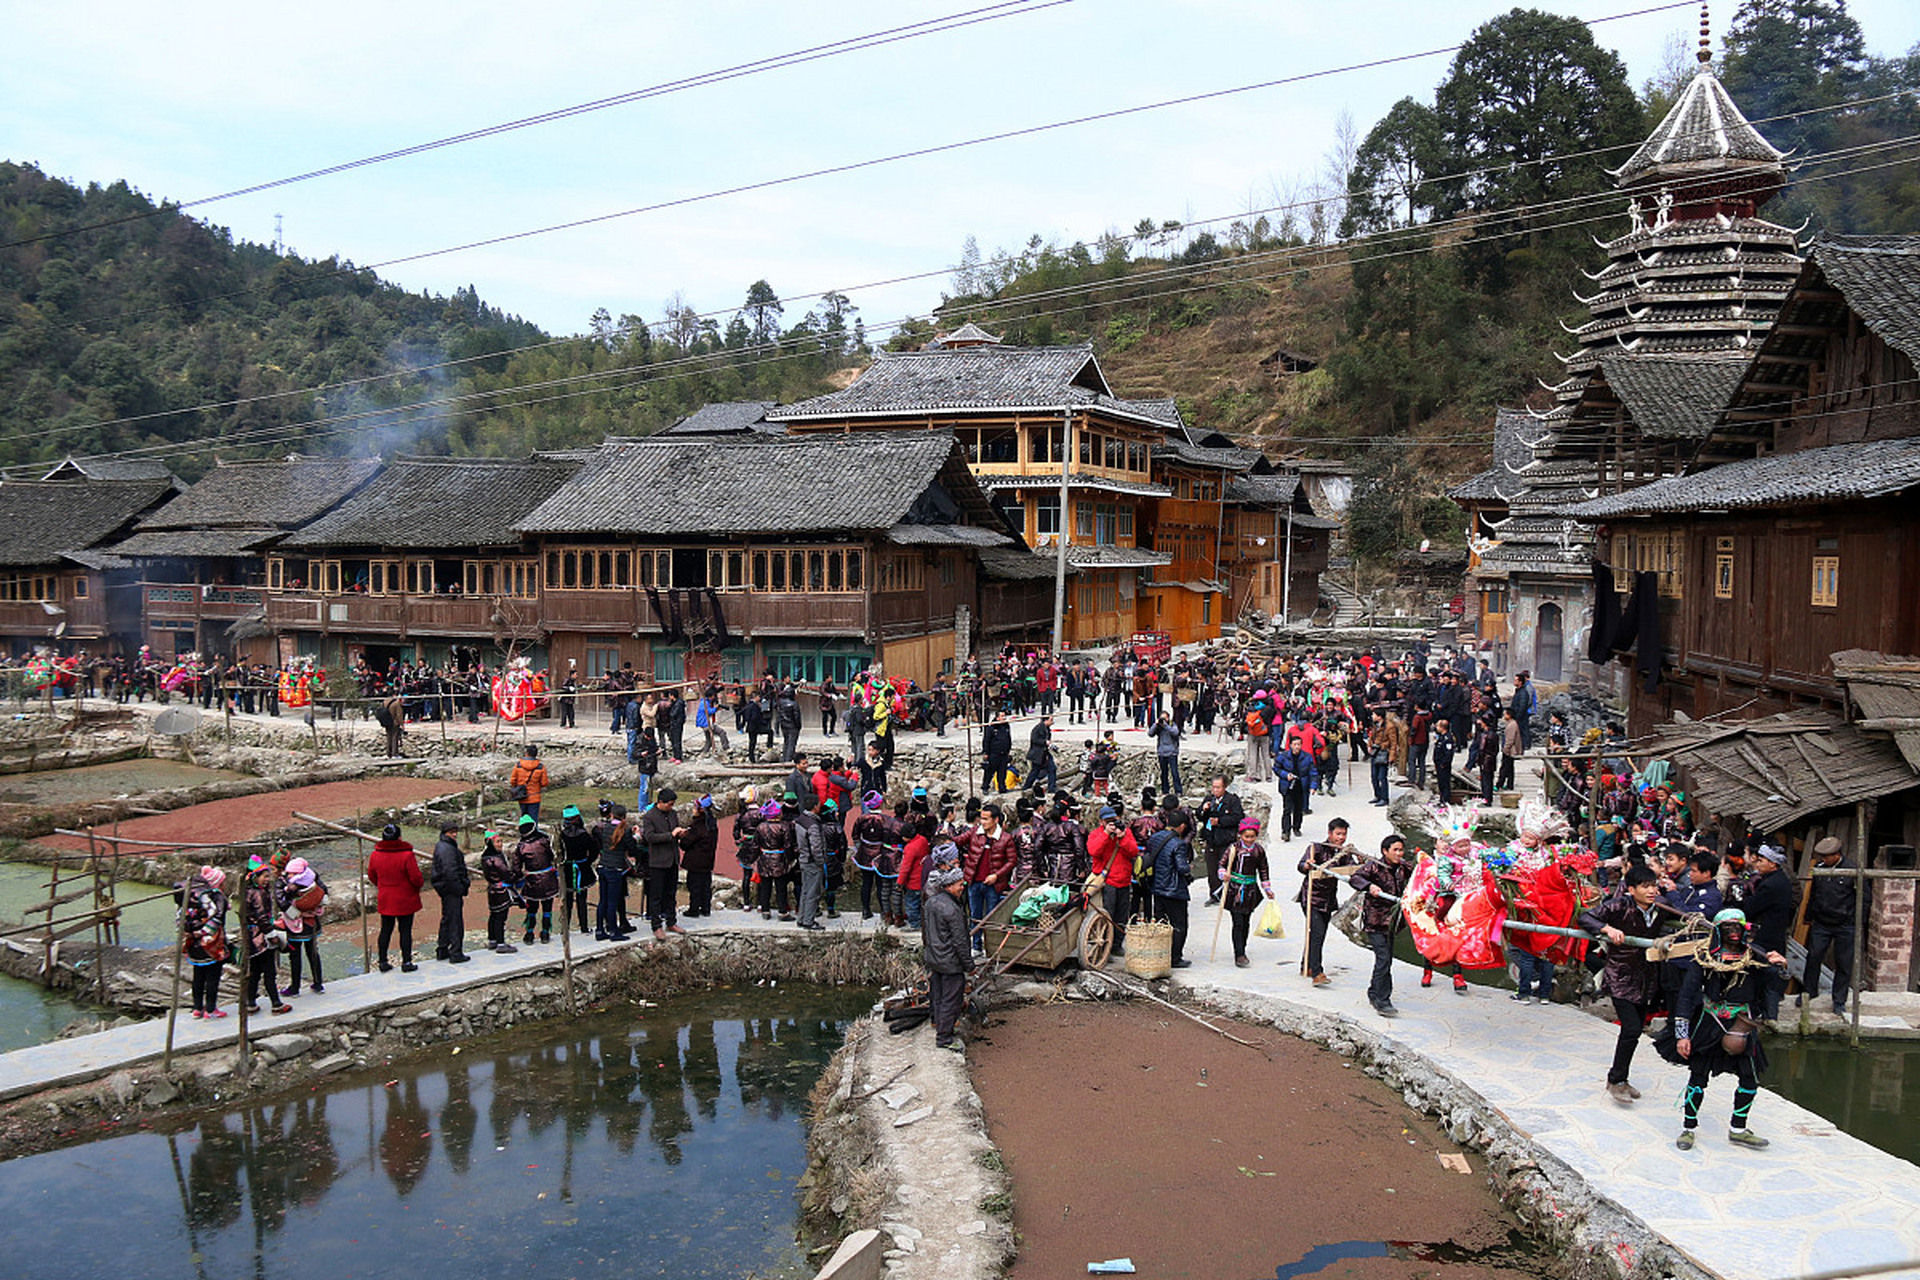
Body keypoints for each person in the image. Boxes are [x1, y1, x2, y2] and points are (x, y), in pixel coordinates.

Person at [1666, 908, 1788, 1151]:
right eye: (1728, 928)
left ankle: (1738, 1129)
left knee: (1750, 1080)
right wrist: (1682, 1034)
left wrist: (1781, 968)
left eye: (1738, 928)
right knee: (1698, 1079)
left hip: (1743, 1023)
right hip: (1710, 1022)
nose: (1734, 933)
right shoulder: (1704, 958)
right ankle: (1688, 1127)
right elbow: (1687, 996)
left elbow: (1773, 986)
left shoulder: (1755, 957)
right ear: (1718, 932)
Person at [1579, 864, 1665, 1105]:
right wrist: (1606, 928)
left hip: (1646, 976)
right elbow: (1585, 917)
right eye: (1645, 886)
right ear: (1631, 889)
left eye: (1654, 885)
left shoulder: (1660, 908)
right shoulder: (1619, 906)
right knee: (1631, 1028)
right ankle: (1616, 1079)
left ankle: (1620, 1078)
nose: (1651, 891)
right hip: (1620, 975)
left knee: (1636, 1030)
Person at [1801, 835, 1865, 1016]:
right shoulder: (1820, 870)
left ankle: (1839, 1000)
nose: (1824, 860)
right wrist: (1808, 916)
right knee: (1813, 957)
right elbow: (1813, 895)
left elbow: (1864, 897)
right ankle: (1809, 991)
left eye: (1827, 857)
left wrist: (1858, 920)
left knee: (1844, 963)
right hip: (1822, 922)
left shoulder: (1852, 870)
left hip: (1845, 924)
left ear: (1836, 855)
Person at [1351, 834, 1414, 1017]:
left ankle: (1373, 991)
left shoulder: (1404, 868)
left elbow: (1421, 875)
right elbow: (1356, 878)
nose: (1399, 853)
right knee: (1384, 958)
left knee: (1385, 959)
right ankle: (1382, 1000)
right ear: (1385, 851)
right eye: (1395, 850)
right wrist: (1369, 886)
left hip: (1392, 922)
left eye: (1401, 850)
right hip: (1375, 921)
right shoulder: (1373, 867)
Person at [1744, 843, 1798, 1020]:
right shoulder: (1779, 880)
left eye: (1761, 861)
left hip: (1767, 937)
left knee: (1766, 978)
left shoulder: (1772, 885)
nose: (1757, 864)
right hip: (1775, 934)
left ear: (1772, 864)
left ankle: (1768, 1016)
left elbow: (1751, 908)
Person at [922, 864, 973, 1052]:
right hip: (951, 962)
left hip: (934, 959)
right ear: (949, 885)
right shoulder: (952, 909)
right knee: (951, 999)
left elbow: (926, 932)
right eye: (960, 884)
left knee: (937, 993)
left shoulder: (931, 903)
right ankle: (944, 1038)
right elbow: (960, 942)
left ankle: (936, 1021)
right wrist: (969, 965)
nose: (963, 887)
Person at [1297, 818, 1349, 986]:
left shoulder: (1344, 853)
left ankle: (1306, 965)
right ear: (1330, 833)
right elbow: (1301, 866)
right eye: (1338, 834)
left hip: (1328, 900)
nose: (1341, 837)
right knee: (1317, 932)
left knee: (1317, 933)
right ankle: (1317, 973)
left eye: (1344, 834)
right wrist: (1307, 865)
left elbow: (1353, 871)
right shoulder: (1316, 849)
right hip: (1311, 898)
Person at [367, 823, 423, 974]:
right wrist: (416, 887)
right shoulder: (407, 855)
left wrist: (383, 885)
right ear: (399, 837)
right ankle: (406, 961)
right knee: (405, 930)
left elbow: (372, 875)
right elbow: (416, 877)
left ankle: (383, 961)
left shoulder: (375, 855)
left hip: (386, 896)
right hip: (405, 897)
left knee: (385, 929)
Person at [1145, 809, 1196, 969]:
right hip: (1174, 889)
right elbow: (1182, 868)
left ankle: (1159, 953)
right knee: (1179, 924)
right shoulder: (1178, 844)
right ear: (1181, 826)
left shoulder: (1154, 838)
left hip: (1157, 887)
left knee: (1161, 923)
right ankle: (1175, 958)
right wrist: (1189, 867)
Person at [242, 856, 293, 1013]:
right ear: (255, 878)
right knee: (269, 972)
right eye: (264, 876)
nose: (267, 880)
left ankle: (250, 1002)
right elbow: (261, 916)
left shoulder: (247, 892)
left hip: (250, 938)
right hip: (261, 938)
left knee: (255, 971)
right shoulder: (259, 894)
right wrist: (271, 934)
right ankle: (276, 1004)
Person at [1221, 818, 1273, 969]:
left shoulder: (1259, 851)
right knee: (1237, 922)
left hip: (1250, 890)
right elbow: (1222, 864)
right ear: (1240, 835)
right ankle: (1239, 954)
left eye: (1252, 837)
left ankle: (1242, 947)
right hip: (1235, 889)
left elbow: (1263, 869)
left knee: (1246, 921)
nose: (1249, 840)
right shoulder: (1233, 849)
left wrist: (1267, 888)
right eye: (1246, 837)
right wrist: (1223, 874)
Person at [965, 802, 1016, 953]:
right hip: (974, 882)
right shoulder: (975, 832)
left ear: (996, 820)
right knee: (975, 915)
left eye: (986, 819)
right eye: (982, 818)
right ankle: (976, 946)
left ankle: (992, 948)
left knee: (992, 917)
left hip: (993, 885)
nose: (983, 822)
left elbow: (1012, 861)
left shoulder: (1005, 838)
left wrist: (997, 875)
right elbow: (958, 841)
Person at [180, 865, 229, 1018]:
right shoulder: (217, 897)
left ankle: (197, 1008)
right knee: (212, 978)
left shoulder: (191, 899)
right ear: (218, 883)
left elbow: (181, 920)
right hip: (211, 944)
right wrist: (204, 933)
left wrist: (193, 934)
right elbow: (217, 919)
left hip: (193, 944)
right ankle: (211, 1009)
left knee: (198, 976)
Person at [1087, 807, 1136, 958]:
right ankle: (1104, 945)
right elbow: (1093, 851)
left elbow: (1133, 851)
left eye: (1113, 821)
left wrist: (1122, 838)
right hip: (1107, 882)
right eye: (1108, 822)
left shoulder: (1125, 833)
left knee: (1122, 915)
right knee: (1107, 915)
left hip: (1124, 880)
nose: (1112, 824)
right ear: (1101, 822)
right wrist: (1106, 834)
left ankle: (1117, 944)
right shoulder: (1096, 834)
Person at [641, 787, 689, 939]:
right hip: (658, 862)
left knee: (671, 894)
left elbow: (674, 832)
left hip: (672, 860)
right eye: (669, 804)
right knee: (656, 896)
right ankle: (656, 925)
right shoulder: (649, 817)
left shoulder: (673, 814)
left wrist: (680, 834)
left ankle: (671, 921)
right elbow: (649, 837)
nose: (671, 807)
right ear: (660, 802)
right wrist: (670, 835)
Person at [279, 857, 327, 996]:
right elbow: (323, 890)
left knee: (295, 956)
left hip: (295, 925)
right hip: (312, 924)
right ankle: (318, 984)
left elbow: (282, 900)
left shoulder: (288, 884)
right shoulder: (313, 878)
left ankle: (295, 987)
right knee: (312, 953)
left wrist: (294, 912)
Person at [1195, 774, 1243, 907]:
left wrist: (1220, 821)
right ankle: (1214, 895)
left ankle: (1228, 895)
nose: (1215, 790)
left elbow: (1238, 817)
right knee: (1212, 870)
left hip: (1226, 839)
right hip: (1211, 839)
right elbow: (1199, 816)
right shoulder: (1208, 799)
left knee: (1227, 869)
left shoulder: (1232, 801)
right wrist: (1203, 810)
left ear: (1225, 787)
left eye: (1218, 787)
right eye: (1213, 787)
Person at [428, 821, 472, 964]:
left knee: (447, 918)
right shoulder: (447, 849)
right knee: (455, 921)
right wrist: (460, 887)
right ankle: (456, 952)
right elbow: (450, 871)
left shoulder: (444, 846)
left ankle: (442, 949)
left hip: (445, 888)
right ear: (444, 833)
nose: (454, 834)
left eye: (455, 831)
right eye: (451, 832)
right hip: (451, 889)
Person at [514, 814, 560, 944]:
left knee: (532, 909)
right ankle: (545, 933)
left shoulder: (521, 847)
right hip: (548, 880)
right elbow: (552, 856)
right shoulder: (544, 841)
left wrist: (516, 879)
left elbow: (517, 867)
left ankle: (529, 933)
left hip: (532, 881)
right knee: (547, 908)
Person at [595, 804, 633, 940]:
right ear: (624, 817)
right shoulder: (626, 832)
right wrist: (637, 837)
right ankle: (614, 931)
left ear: (611, 815)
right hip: (615, 869)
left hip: (603, 866)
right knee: (612, 902)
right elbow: (632, 849)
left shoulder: (604, 829)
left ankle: (599, 930)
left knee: (602, 901)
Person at [557, 806, 597, 936]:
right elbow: (594, 851)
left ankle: (565, 928)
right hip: (582, 869)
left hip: (567, 870)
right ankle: (584, 927)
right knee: (582, 900)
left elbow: (559, 854)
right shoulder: (584, 835)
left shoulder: (561, 836)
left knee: (567, 900)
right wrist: (587, 862)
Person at [679, 792, 719, 918]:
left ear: (701, 810)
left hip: (695, 861)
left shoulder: (697, 826)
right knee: (706, 885)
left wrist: (682, 838)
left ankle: (694, 909)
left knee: (694, 885)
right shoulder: (712, 824)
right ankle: (705, 908)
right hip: (708, 860)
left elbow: (686, 844)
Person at [479, 831, 519, 953]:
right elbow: (506, 874)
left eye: (501, 841)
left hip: (492, 890)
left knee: (494, 915)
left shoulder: (485, 857)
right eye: (497, 841)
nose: (500, 844)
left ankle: (492, 940)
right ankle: (501, 943)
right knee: (501, 916)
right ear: (490, 843)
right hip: (501, 890)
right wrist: (518, 875)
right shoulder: (496, 859)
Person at [1275, 736, 1313, 841]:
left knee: (1298, 809)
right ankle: (1285, 831)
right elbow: (1276, 768)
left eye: (1299, 744)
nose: (1297, 747)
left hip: (1301, 785)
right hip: (1287, 785)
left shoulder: (1307, 757)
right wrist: (1285, 775)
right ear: (1291, 745)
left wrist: (1313, 786)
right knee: (1287, 809)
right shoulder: (1283, 756)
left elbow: (1312, 772)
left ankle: (1296, 827)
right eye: (1295, 744)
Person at [509, 745, 549, 821]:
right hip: (535, 797)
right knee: (533, 819)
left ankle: (524, 832)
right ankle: (533, 832)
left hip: (522, 796)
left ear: (526, 753)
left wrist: (517, 787)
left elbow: (512, 781)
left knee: (524, 819)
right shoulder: (540, 767)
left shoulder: (518, 765)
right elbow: (544, 783)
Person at [1151, 712, 1184, 797]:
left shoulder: (1172, 724)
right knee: (1164, 773)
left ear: (1168, 718)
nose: (1163, 720)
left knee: (1174, 772)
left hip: (1172, 752)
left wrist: (1166, 725)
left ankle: (1178, 791)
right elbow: (1150, 733)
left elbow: (1175, 732)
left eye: (1165, 718)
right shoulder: (1158, 727)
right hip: (1162, 752)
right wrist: (1156, 724)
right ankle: (1165, 790)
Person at [982, 710, 1014, 792]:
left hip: (1004, 754)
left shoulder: (1006, 726)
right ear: (997, 717)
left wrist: (1008, 749)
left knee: (1002, 772)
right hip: (994, 754)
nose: (1004, 718)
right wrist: (986, 752)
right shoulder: (992, 727)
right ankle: (985, 787)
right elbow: (986, 740)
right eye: (1002, 716)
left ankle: (1002, 787)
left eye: (1004, 716)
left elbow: (1008, 738)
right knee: (989, 772)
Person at [1028, 714, 1058, 793]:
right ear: (1046, 720)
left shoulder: (1047, 729)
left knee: (1052, 769)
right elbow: (1034, 739)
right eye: (1051, 720)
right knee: (1035, 771)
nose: (1052, 722)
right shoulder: (1038, 729)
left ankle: (1052, 788)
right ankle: (1027, 786)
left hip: (1045, 753)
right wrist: (1045, 742)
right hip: (1038, 753)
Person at [1431, 719, 1457, 805]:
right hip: (1438, 763)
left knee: (1445, 782)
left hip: (1443, 765)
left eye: (1438, 726)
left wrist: (1443, 763)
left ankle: (1445, 800)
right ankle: (1442, 799)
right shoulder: (1441, 737)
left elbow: (1448, 753)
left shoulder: (1447, 738)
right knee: (1441, 783)